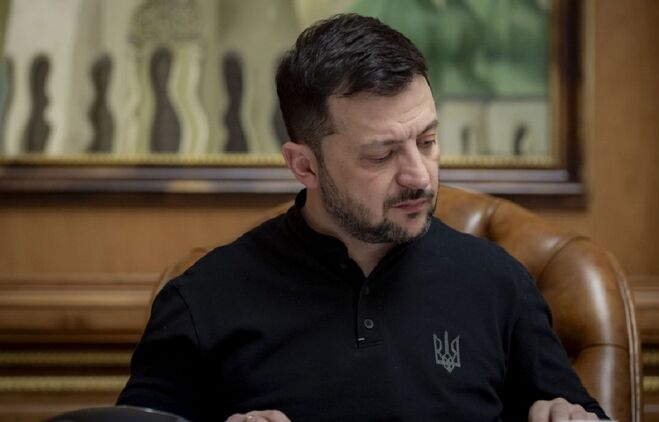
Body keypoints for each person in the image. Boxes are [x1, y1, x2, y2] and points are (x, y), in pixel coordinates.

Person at [118, 14, 607, 422]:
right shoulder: (202, 300)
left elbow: (575, 412)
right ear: (304, 166)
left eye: (428, 141)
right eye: (381, 155)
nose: (418, 175)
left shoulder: (499, 284)